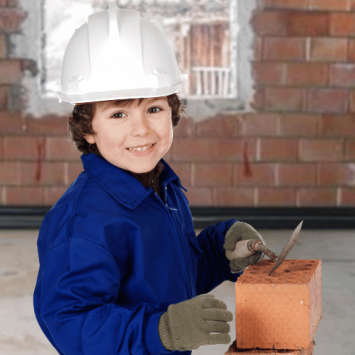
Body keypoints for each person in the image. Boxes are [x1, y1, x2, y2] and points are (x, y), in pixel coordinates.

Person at [33, 3, 266, 355]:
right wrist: (161, 331)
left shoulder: (162, 190)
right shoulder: (84, 223)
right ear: (88, 128)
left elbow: (166, 280)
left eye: (153, 109)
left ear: (173, 112)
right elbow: (71, 323)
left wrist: (219, 254)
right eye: (119, 113)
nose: (141, 129)